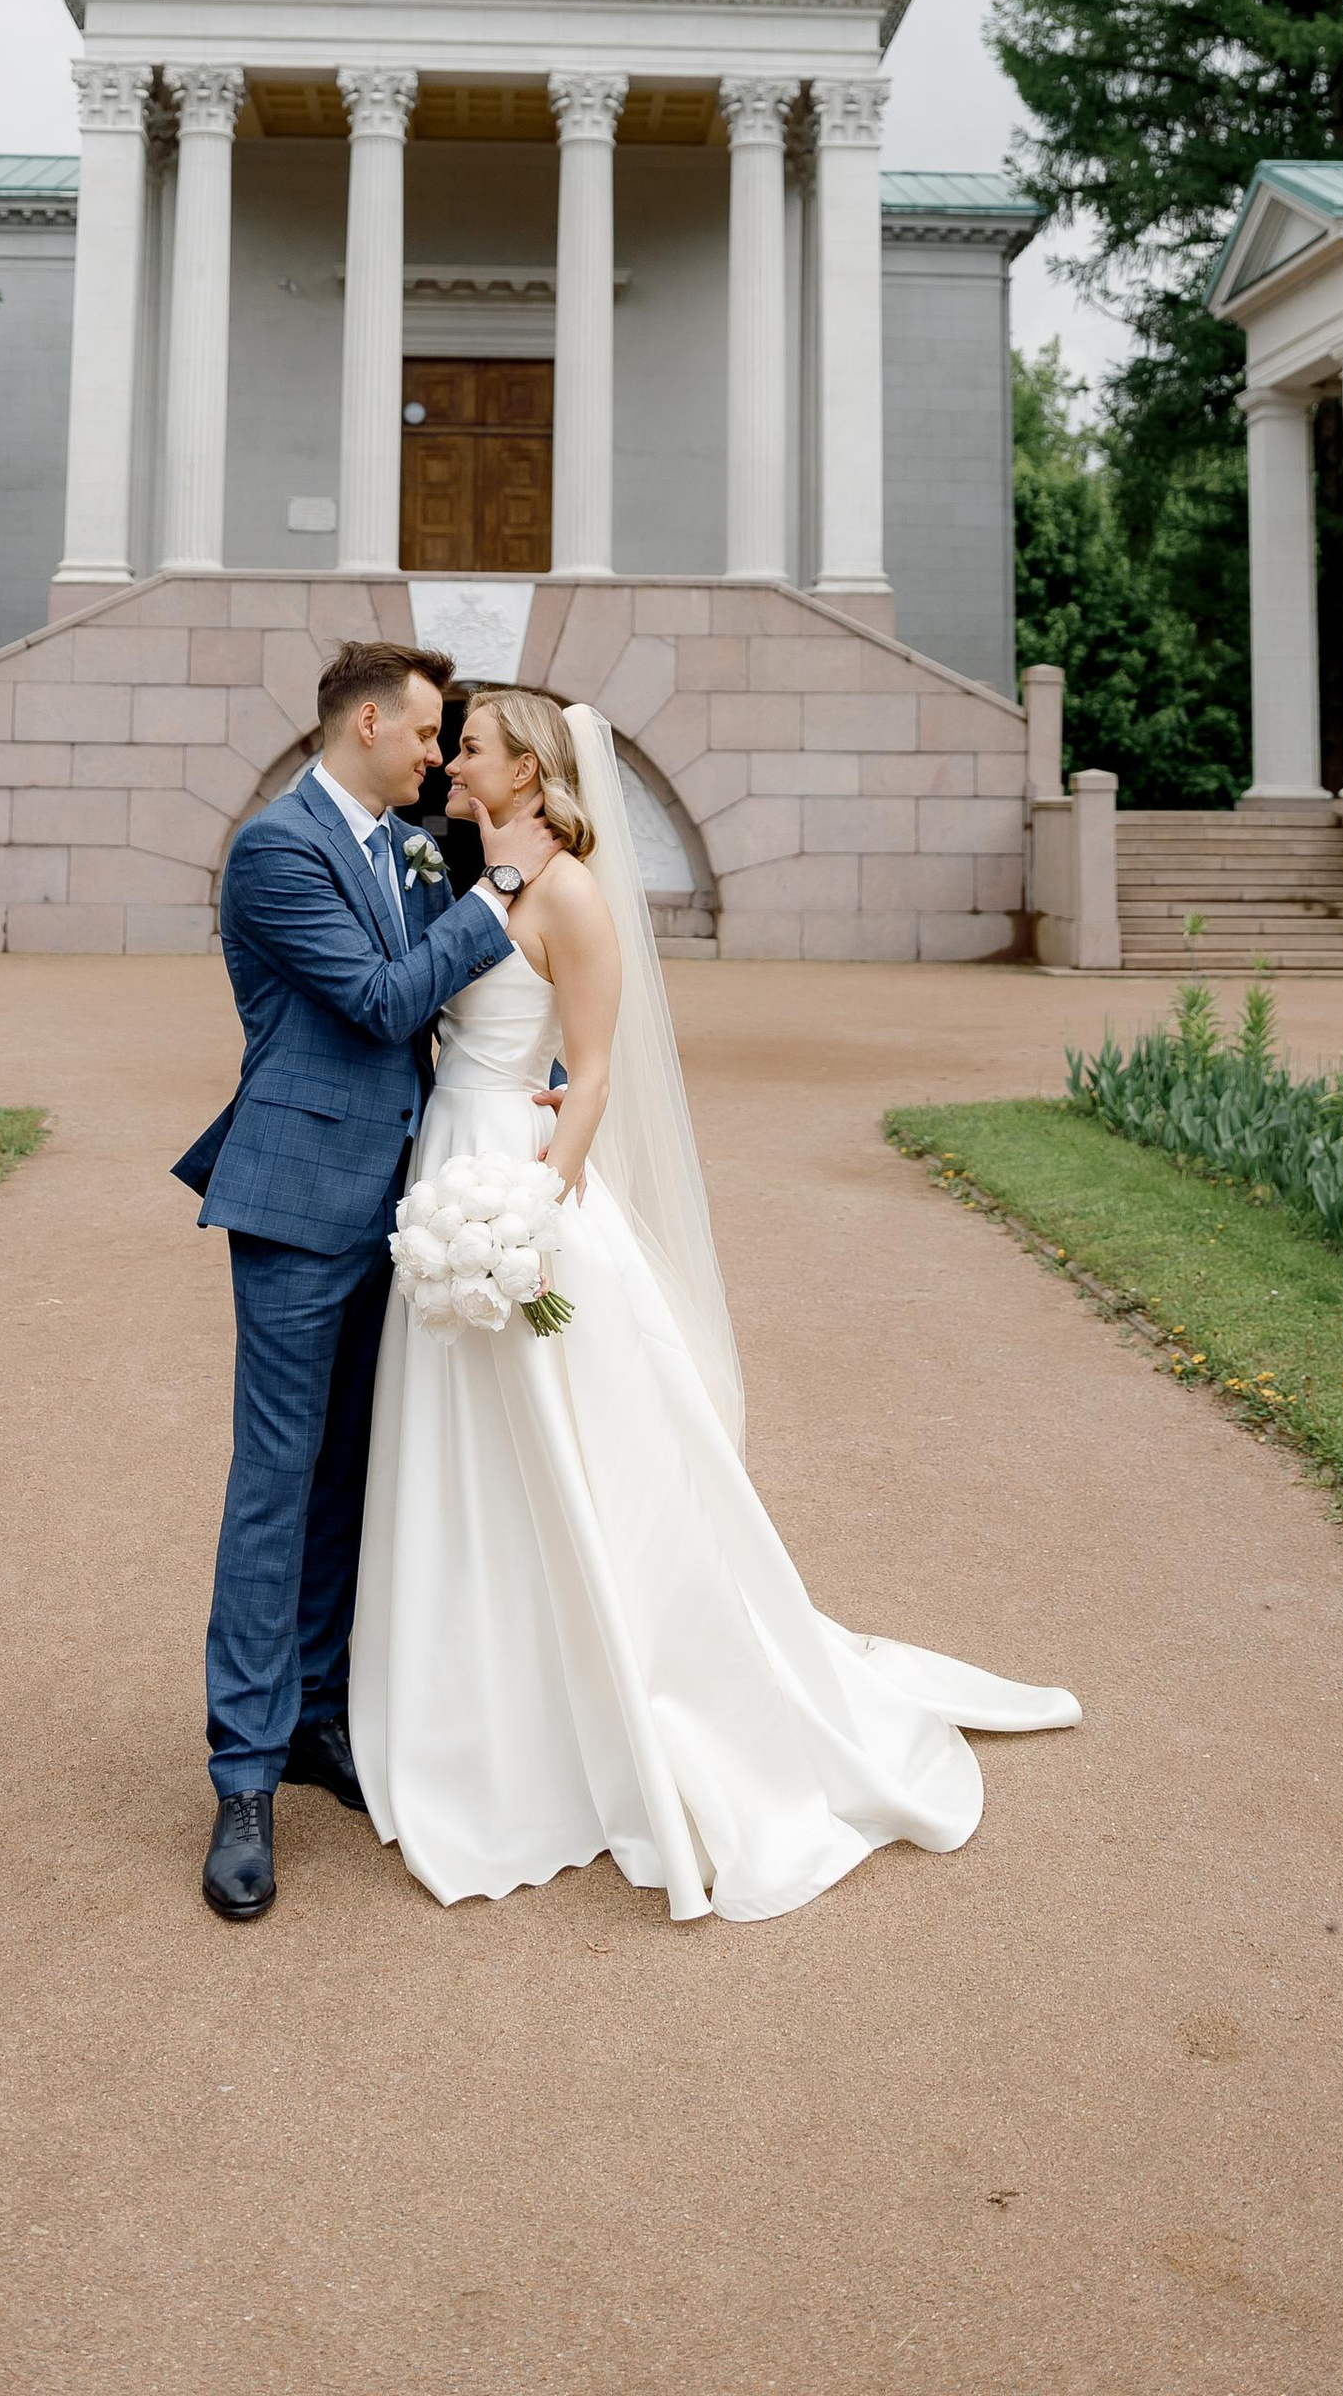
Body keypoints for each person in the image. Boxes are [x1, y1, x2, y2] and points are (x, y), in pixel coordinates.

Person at [348, 688, 1079, 1924]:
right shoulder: (465, 870)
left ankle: (620, 1716)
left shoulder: (570, 892)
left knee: (573, 1451)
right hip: (448, 1169)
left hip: (516, 1192)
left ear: (527, 770)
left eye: (469, 747)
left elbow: (592, 1069)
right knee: (460, 1449)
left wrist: (538, 1205)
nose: (451, 760)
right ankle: (472, 1706)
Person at [175, 638, 564, 1920]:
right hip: (296, 1203)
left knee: (350, 1470)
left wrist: (523, 1091)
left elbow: (446, 1026)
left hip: (400, 1201)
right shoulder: (277, 850)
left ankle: (317, 1720)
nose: (435, 755)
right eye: (423, 733)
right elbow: (382, 1002)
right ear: (362, 725)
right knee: (276, 1483)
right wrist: (500, 883)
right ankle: (241, 1774)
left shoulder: (394, 843)